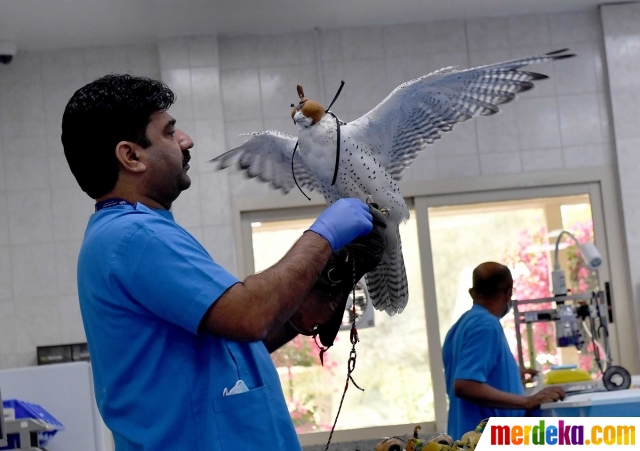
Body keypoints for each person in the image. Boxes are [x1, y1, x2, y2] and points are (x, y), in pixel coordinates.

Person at [61, 74, 387, 451]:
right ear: (131, 156)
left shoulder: (136, 234)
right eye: (169, 132)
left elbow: (232, 342)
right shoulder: (133, 237)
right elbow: (247, 315)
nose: (186, 140)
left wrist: (304, 305)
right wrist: (323, 235)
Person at [442, 262, 566, 439]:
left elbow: (471, 372)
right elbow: (465, 385)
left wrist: (510, 375)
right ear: (509, 294)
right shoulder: (486, 325)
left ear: (472, 293)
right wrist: (528, 401)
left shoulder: (459, 327)